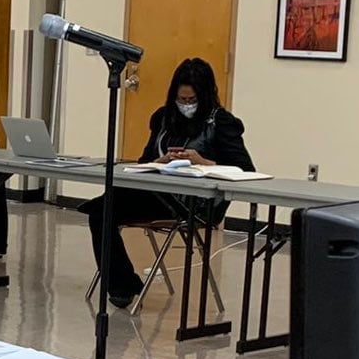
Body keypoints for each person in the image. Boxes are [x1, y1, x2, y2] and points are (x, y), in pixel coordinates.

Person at [82, 57, 251, 309]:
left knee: (102, 209)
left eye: (191, 100)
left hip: (194, 203)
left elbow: (245, 170)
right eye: (181, 99)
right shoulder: (163, 118)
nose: (185, 105)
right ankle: (122, 283)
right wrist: (160, 160)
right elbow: (144, 161)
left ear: (204, 97)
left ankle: (122, 285)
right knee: (101, 211)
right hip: (159, 194)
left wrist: (203, 162)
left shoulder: (221, 123)